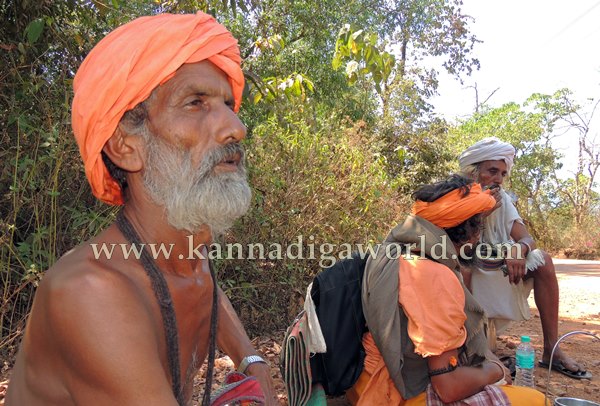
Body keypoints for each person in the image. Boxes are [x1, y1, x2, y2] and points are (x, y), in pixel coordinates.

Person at [6, 12, 278, 406]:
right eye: (195, 103)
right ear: (125, 146)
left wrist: (252, 361)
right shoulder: (90, 294)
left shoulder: (185, 253)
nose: (235, 126)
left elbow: (208, 290)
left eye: (227, 103)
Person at [347, 175, 546, 405]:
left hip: (365, 380)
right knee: (536, 400)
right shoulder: (434, 276)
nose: (480, 236)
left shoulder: (394, 249)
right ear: (468, 230)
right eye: (479, 225)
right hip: (392, 393)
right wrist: (496, 371)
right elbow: (447, 387)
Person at [459, 137, 592, 380]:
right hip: (467, 268)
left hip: (498, 265)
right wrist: (480, 213)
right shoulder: (455, 196)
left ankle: (552, 349)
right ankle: (469, 348)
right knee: (463, 269)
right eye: (492, 171)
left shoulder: (503, 199)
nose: (498, 179)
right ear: (473, 172)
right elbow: (460, 248)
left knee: (543, 261)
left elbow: (527, 239)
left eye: (503, 173)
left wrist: (518, 249)